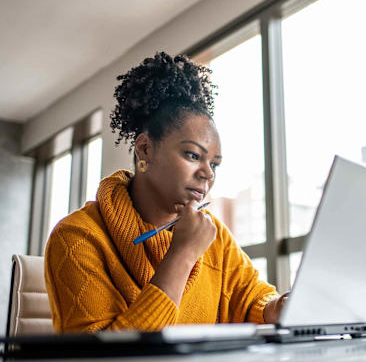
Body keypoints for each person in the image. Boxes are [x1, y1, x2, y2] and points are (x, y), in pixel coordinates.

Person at [44, 52, 287, 333]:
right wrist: (183, 254)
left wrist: (277, 307)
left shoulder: (215, 236)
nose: (207, 173)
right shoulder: (77, 237)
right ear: (145, 149)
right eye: (193, 155)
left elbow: (252, 298)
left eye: (214, 164)